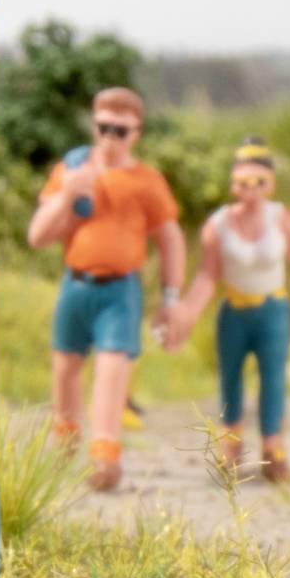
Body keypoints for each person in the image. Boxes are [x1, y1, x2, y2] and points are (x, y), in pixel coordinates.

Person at [25, 84, 185, 492]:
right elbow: (38, 236)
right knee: (65, 368)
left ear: (137, 133)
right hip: (76, 284)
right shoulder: (72, 170)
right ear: (94, 126)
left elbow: (170, 240)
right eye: (104, 127)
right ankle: (65, 442)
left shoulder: (146, 180)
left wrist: (170, 300)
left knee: (113, 368)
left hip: (120, 290)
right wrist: (67, 195)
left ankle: (105, 450)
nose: (111, 137)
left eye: (122, 130)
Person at [166, 140, 290, 483]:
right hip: (234, 311)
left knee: (273, 378)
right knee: (230, 378)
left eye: (259, 183)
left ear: (270, 184)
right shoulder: (218, 225)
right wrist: (186, 312)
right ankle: (230, 445)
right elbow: (208, 274)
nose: (251, 191)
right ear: (233, 184)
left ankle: (273, 445)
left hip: (272, 309)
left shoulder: (281, 218)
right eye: (243, 183)